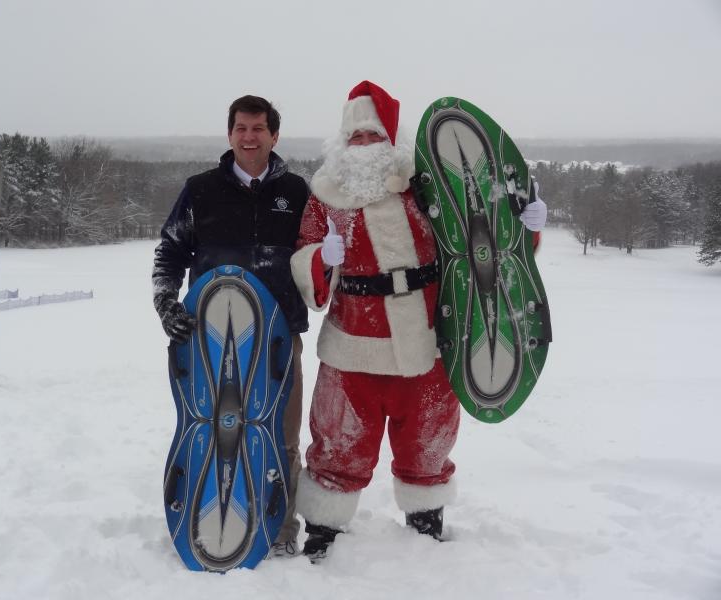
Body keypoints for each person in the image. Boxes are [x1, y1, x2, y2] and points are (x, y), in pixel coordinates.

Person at [290, 81, 547, 561]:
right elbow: (304, 256)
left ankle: (425, 523)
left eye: (372, 137)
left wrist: (523, 228)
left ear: (391, 140)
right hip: (352, 350)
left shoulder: (425, 186)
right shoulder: (324, 196)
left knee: (428, 440)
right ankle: (323, 530)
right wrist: (319, 259)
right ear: (342, 145)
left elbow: (479, 240)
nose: (363, 147)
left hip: (426, 343)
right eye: (355, 138)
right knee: (338, 441)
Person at [152, 95, 310, 557]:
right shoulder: (200, 189)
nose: (249, 136)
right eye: (241, 128)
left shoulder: (297, 192)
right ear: (229, 133)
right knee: (212, 427)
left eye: (258, 128)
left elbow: (318, 256)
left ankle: (277, 529)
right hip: (210, 338)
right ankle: (207, 516)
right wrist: (166, 302)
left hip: (279, 340)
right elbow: (170, 251)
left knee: (278, 433)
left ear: (274, 135)